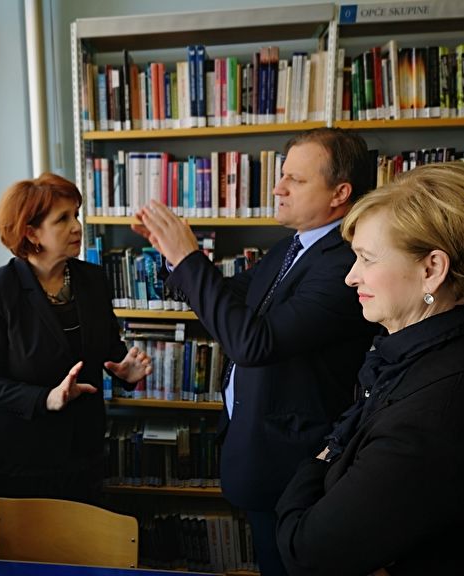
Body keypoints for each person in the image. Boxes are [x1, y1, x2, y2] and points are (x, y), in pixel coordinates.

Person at [133, 128, 378, 575]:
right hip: (262, 446)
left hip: (296, 463)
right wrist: (174, 257)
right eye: (281, 175)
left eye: (295, 180)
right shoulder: (292, 246)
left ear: (340, 193)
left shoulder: (346, 261)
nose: (277, 188)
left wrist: (189, 260)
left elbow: (253, 343)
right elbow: (230, 298)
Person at [276, 161, 464, 575]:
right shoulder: (411, 354)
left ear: (431, 270)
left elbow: (307, 553)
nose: (351, 277)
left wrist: (318, 461)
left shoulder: (435, 417)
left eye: (367, 259)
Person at [0, 172, 151, 508]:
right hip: (25, 458)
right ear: (31, 233)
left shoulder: (93, 279)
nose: (77, 226)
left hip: (85, 453)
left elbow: (110, 350)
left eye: (76, 215)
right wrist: (46, 398)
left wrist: (125, 372)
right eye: (63, 219)